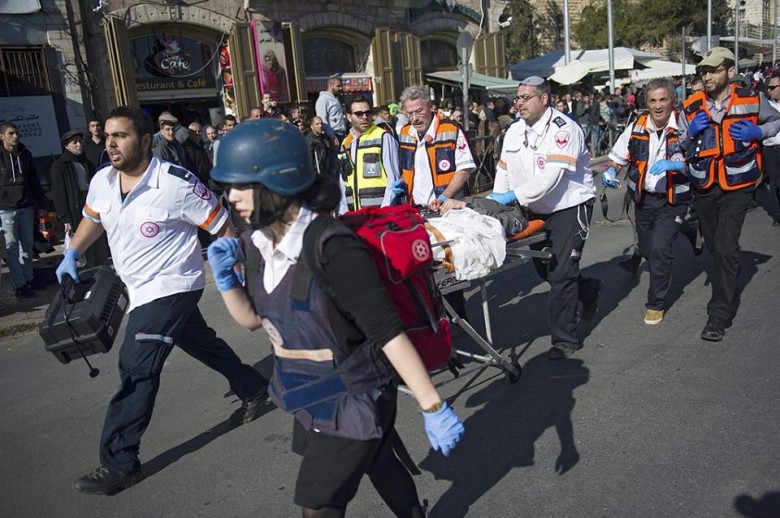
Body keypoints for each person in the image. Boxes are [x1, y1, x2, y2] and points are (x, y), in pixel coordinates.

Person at [207, 119, 464, 517]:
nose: (231, 197)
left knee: (319, 505)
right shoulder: (256, 243)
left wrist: (432, 405)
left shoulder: (334, 247)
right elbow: (254, 320)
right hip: (309, 391)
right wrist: (225, 280)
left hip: (356, 393)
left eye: (241, 185)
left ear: (278, 181)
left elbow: (387, 332)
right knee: (379, 460)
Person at [55, 106, 270, 495]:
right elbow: (93, 218)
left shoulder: (176, 184)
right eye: (106, 136)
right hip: (135, 286)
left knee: (136, 366)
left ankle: (120, 462)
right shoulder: (103, 180)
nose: (111, 143)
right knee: (199, 342)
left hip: (173, 285)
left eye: (120, 135)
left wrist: (237, 272)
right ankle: (254, 387)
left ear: (144, 139)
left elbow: (221, 223)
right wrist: (72, 251)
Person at [487, 76, 602, 359]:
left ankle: (565, 340)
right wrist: (497, 202)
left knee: (562, 273)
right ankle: (588, 289)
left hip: (569, 206)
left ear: (544, 99)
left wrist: (512, 195)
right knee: (545, 269)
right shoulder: (514, 131)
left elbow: (552, 177)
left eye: (526, 97)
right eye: (518, 98)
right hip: (534, 208)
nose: (520, 103)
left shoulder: (565, 129)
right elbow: (503, 170)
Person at [680, 47, 780, 341]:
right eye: (704, 71)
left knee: (725, 245)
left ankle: (718, 315)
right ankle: (729, 274)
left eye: (713, 70)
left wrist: (758, 133)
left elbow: (777, 121)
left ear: (730, 71)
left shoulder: (751, 98)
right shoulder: (692, 105)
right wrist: (689, 134)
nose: (707, 76)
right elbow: (680, 146)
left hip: (738, 184)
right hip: (705, 185)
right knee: (715, 245)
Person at [601, 77, 693, 325]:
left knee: (660, 250)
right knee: (646, 248)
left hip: (673, 201)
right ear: (646, 103)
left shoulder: (686, 127)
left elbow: (699, 163)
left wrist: (679, 165)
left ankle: (655, 303)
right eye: (653, 100)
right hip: (644, 200)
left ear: (672, 101)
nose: (658, 105)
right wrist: (611, 172)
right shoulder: (637, 127)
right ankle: (688, 228)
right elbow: (618, 158)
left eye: (663, 99)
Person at [397, 84, 475, 211]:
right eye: (410, 113)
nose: (415, 118)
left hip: (448, 208)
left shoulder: (451, 129)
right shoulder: (405, 133)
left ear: (430, 107)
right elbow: (404, 170)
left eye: (419, 111)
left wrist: (443, 198)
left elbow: (464, 170)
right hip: (415, 209)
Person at [0, 122, 48, 298]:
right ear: (2, 136)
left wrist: (41, 205)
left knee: (27, 246)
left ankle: (29, 278)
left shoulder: (25, 154)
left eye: (17, 133)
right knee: (11, 247)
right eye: (11, 133)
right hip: (6, 209)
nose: (15, 136)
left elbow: (34, 181)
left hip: (26, 205)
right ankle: (20, 284)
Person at [49, 130, 109, 267]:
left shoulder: (88, 164)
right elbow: (59, 195)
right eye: (74, 142)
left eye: (80, 141)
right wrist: (65, 219)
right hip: (75, 212)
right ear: (66, 146)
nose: (79, 145)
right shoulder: (60, 166)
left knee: (100, 250)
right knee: (85, 253)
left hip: (93, 209)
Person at [341, 96, 401, 209]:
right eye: (358, 114)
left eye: (367, 113)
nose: (364, 117)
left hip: (379, 213)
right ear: (349, 117)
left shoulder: (383, 137)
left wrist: (385, 209)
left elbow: (394, 179)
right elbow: (343, 182)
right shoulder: (346, 142)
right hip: (355, 214)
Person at [760, 74, 780, 226]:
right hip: (770, 149)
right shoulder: (766, 105)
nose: (770, 90)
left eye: (773, 87)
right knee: (774, 184)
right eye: (768, 87)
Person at [315, 77, 347, 143]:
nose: (340, 88)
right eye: (338, 86)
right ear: (330, 86)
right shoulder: (323, 99)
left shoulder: (335, 99)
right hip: (333, 135)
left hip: (341, 134)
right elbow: (322, 119)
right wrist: (331, 135)